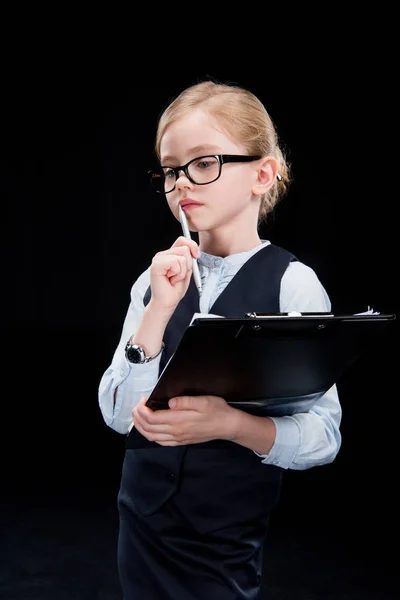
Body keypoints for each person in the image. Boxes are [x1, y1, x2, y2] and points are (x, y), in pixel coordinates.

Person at [98, 79, 342, 600]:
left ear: (262, 173)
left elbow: (323, 438)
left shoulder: (291, 283)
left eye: (203, 163)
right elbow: (120, 416)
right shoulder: (154, 280)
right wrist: (157, 313)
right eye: (170, 170)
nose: (182, 183)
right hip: (141, 523)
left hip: (223, 538)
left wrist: (231, 424)